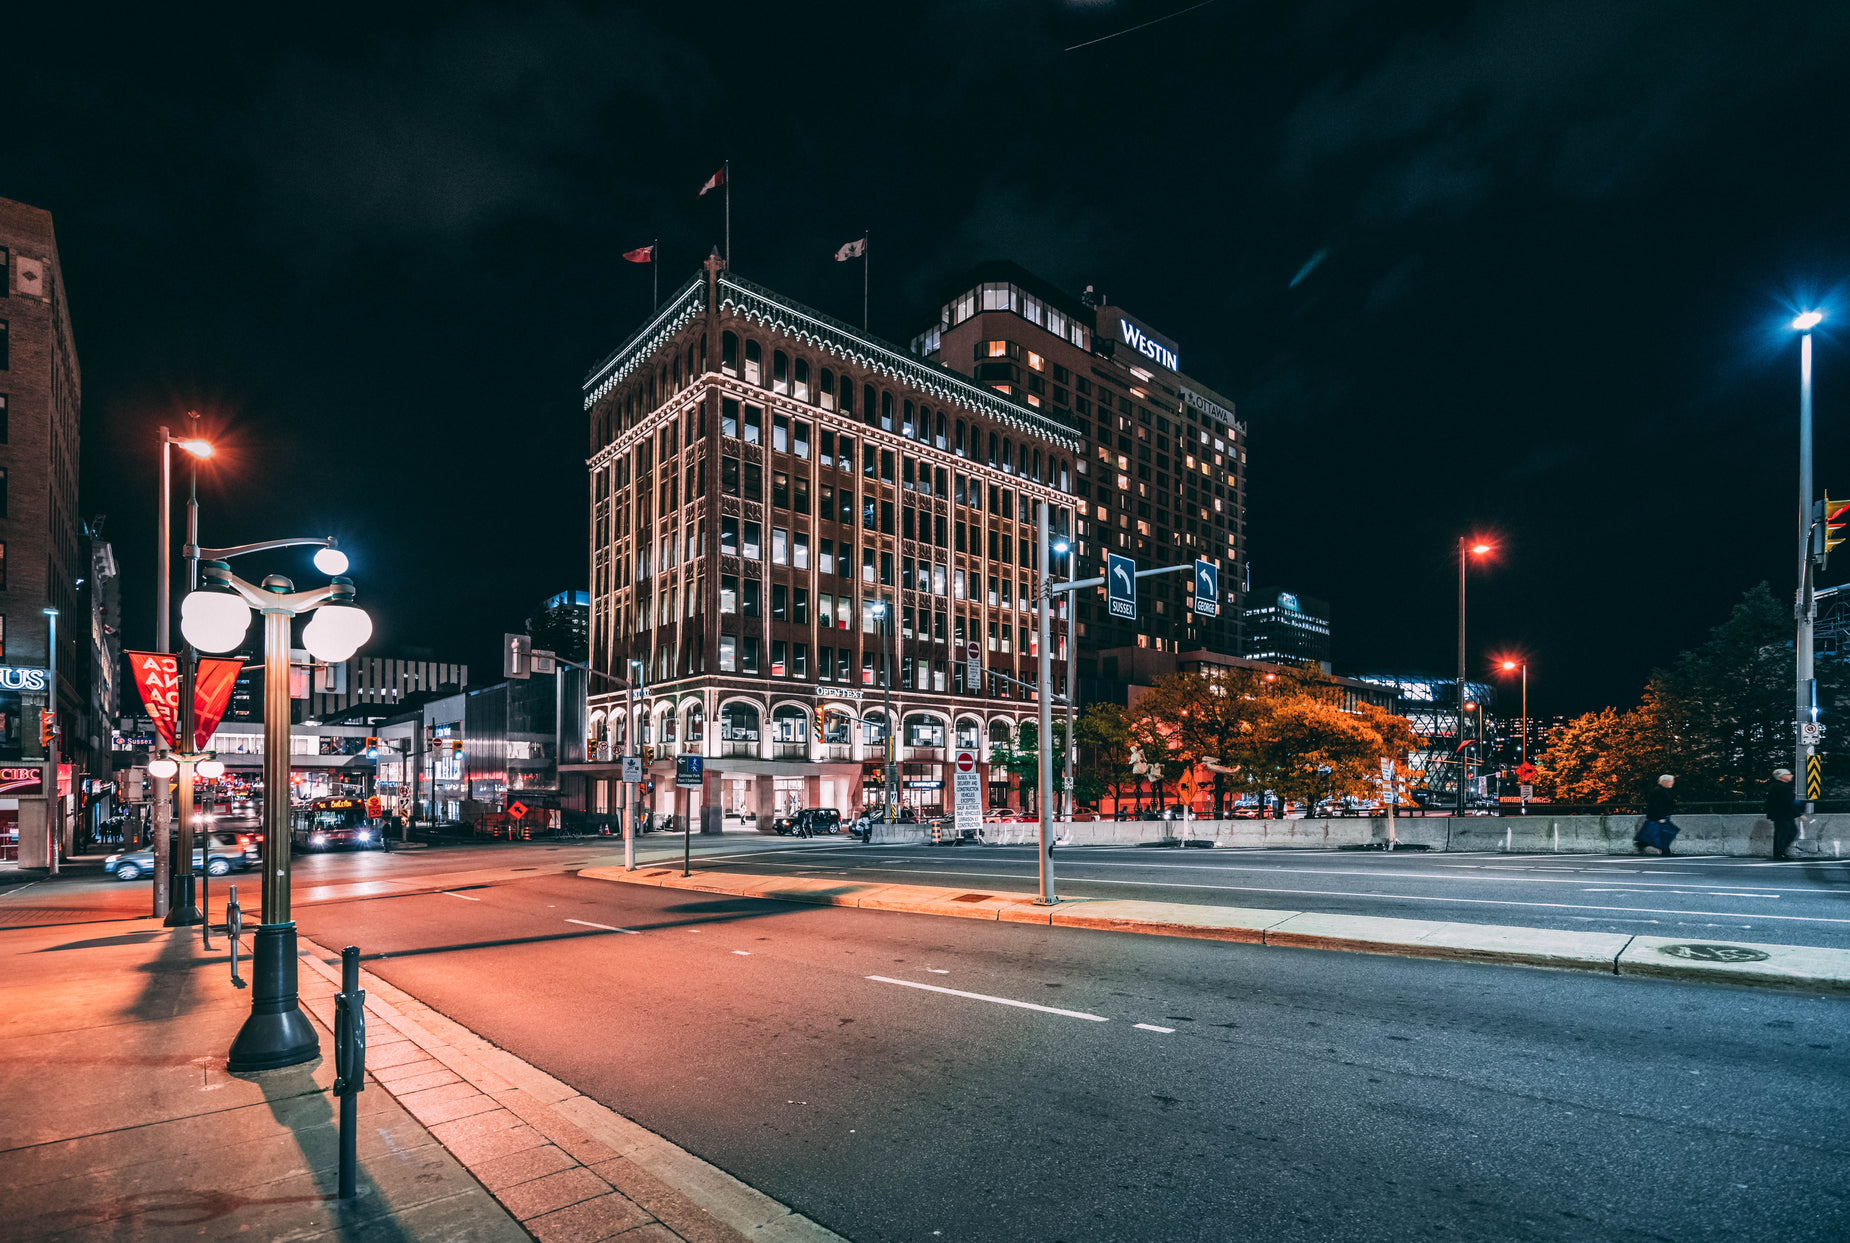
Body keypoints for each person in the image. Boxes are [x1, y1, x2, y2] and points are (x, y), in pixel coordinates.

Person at [1636, 774, 1680, 855]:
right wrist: (1661, 817)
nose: (1672, 783)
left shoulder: (1663, 790)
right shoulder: (1659, 791)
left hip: (1660, 816)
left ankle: (1644, 843)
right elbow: (1657, 805)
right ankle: (1664, 850)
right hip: (1658, 817)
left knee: (1661, 833)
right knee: (1665, 833)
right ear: (1664, 782)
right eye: (1670, 781)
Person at [1764, 768, 1802, 860]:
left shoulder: (1775, 786)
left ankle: (1779, 853)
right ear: (1782, 776)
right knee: (1787, 833)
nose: (1791, 776)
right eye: (1788, 774)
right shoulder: (1783, 787)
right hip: (1784, 815)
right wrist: (1798, 813)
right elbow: (1788, 802)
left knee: (1782, 833)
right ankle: (1780, 853)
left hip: (1779, 814)